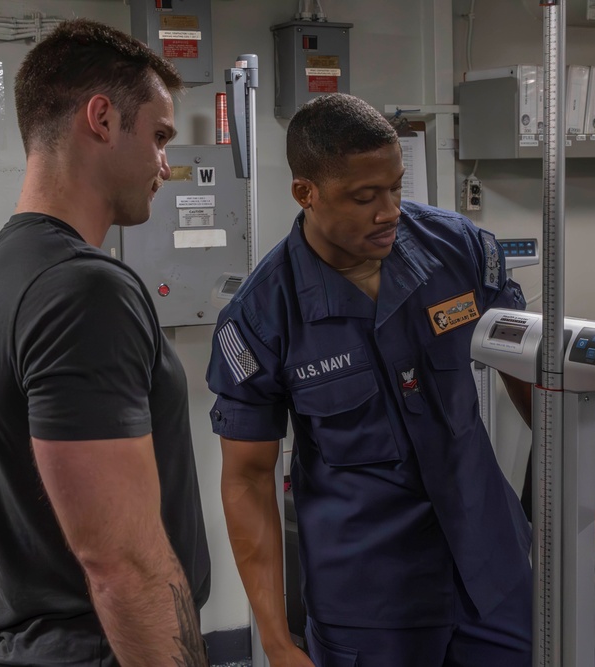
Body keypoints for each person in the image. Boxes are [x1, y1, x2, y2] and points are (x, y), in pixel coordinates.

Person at [206, 93, 534, 667]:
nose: (390, 212)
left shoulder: (456, 249)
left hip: (490, 568)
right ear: (305, 193)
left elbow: (527, 368)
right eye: (364, 197)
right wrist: (278, 641)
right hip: (370, 598)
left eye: (396, 188)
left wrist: (569, 501)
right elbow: (248, 480)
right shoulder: (263, 316)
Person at [0, 19, 209, 667]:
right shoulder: (84, 290)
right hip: (100, 648)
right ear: (101, 118)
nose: (163, 163)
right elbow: (120, 560)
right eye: (157, 136)